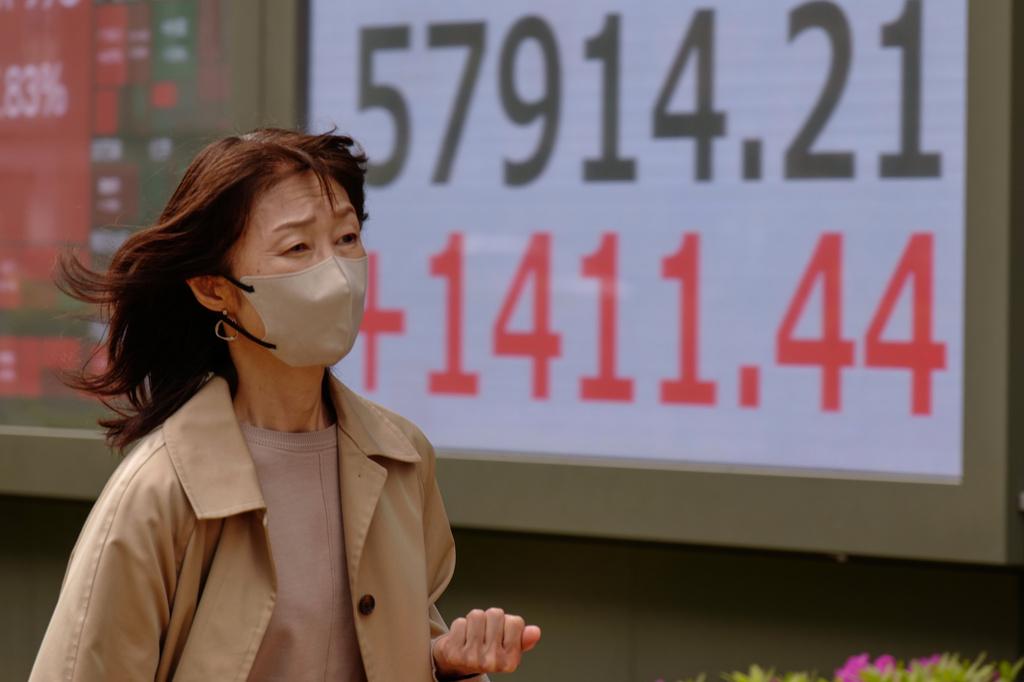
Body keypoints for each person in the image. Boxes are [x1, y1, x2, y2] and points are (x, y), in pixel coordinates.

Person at [29, 128, 541, 681]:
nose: (337, 273)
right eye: (298, 248)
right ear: (213, 289)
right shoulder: (160, 491)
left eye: (347, 238)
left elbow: (390, 647)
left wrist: (447, 666)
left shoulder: (402, 459)